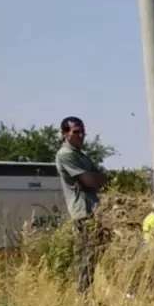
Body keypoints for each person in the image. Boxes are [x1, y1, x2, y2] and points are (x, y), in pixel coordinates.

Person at [54, 116, 109, 293]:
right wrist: (96, 178)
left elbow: (102, 178)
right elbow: (89, 181)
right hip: (83, 211)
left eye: (82, 131)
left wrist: (98, 178)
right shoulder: (66, 155)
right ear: (65, 134)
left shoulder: (81, 155)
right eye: (76, 132)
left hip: (93, 208)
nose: (81, 135)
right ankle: (83, 295)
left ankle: (89, 293)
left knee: (97, 254)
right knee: (88, 255)